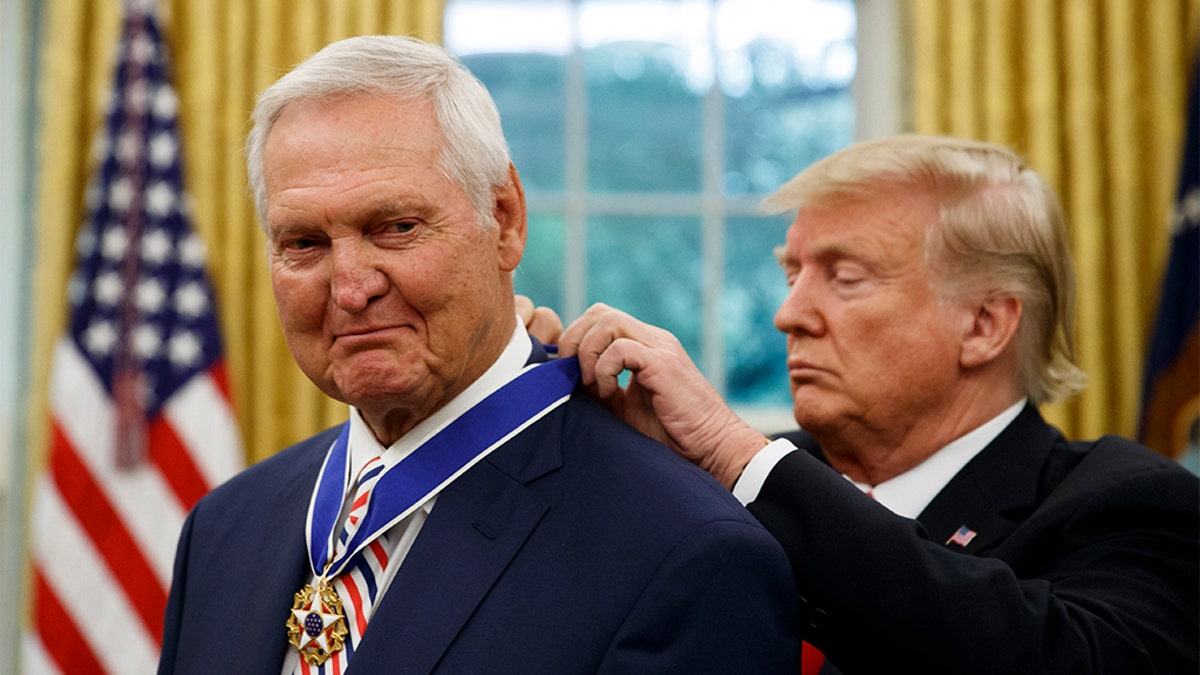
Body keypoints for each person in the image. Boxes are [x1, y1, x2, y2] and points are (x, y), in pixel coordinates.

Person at [157, 35, 800, 675]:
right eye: (303, 242)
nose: (351, 289)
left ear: (506, 219)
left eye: (397, 227)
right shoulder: (223, 529)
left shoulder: (682, 552)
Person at [550, 135, 1200, 674]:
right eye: (791, 274)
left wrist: (732, 450)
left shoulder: (1134, 502)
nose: (788, 314)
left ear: (982, 324)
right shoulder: (741, 486)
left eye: (846, 277)